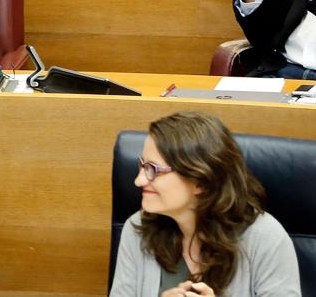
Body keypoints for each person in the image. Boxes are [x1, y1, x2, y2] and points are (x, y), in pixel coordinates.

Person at [109, 111, 301, 297]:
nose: (139, 180)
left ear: (200, 181)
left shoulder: (265, 238)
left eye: (152, 169)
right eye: (142, 165)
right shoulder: (139, 229)